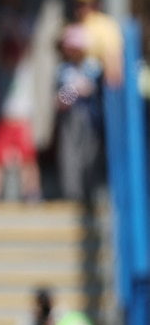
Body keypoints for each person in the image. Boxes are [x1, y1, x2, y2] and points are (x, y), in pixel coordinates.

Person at [53, 23, 104, 201]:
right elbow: (62, 95)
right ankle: (72, 193)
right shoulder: (62, 69)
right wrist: (74, 91)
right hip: (69, 117)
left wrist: (73, 91)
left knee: (90, 154)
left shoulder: (93, 66)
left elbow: (89, 89)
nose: (70, 51)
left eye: (74, 48)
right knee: (69, 154)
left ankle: (90, 193)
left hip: (90, 117)